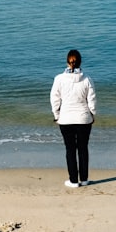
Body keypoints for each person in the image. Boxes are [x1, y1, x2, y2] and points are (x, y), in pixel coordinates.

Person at [50, 49, 97, 188]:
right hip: (83, 118)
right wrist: (92, 114)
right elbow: (92, 100)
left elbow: (54, 99)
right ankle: (84, 179)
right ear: (80, 62)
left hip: (65, 119)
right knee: (83, 148)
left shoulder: (59, 79)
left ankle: (73, 180)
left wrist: (56, 115)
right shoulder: (87, 79)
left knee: (70, 149)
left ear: (67, 62)